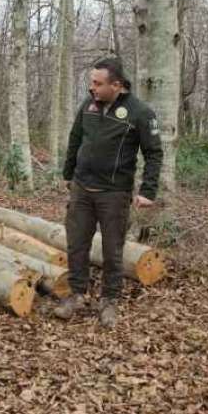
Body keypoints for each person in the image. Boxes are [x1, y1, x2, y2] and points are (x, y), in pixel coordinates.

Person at [54, 57, 163, 328]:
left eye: (98, 83)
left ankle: (109, 301)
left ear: (116, 85)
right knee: (76, 245)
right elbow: (75, 139)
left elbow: (154, 153)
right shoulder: (88, 106)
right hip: (82, 189)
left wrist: (148, 190)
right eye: (92, 82)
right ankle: (76, 295)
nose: (92, 88)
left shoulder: (140, 113)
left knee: (112, 250)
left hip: (114, 194)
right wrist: (68, 174)